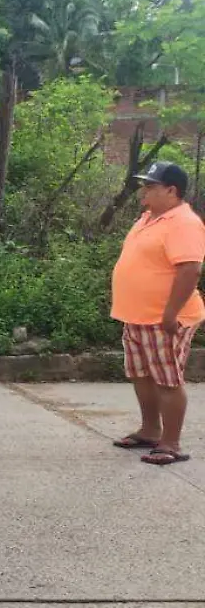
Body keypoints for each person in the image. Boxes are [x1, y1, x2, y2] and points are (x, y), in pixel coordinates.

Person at [109, 162, 205, 466]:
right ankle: (150, 431)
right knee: (141, 375)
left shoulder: (184, 223)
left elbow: (190, 269)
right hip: (136, 316)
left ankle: (171, 444)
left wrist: (170, 314)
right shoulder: (148, 218)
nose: (144, 193)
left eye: (150, 187)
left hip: (164, 319)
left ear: (171, 191)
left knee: (167, 380)